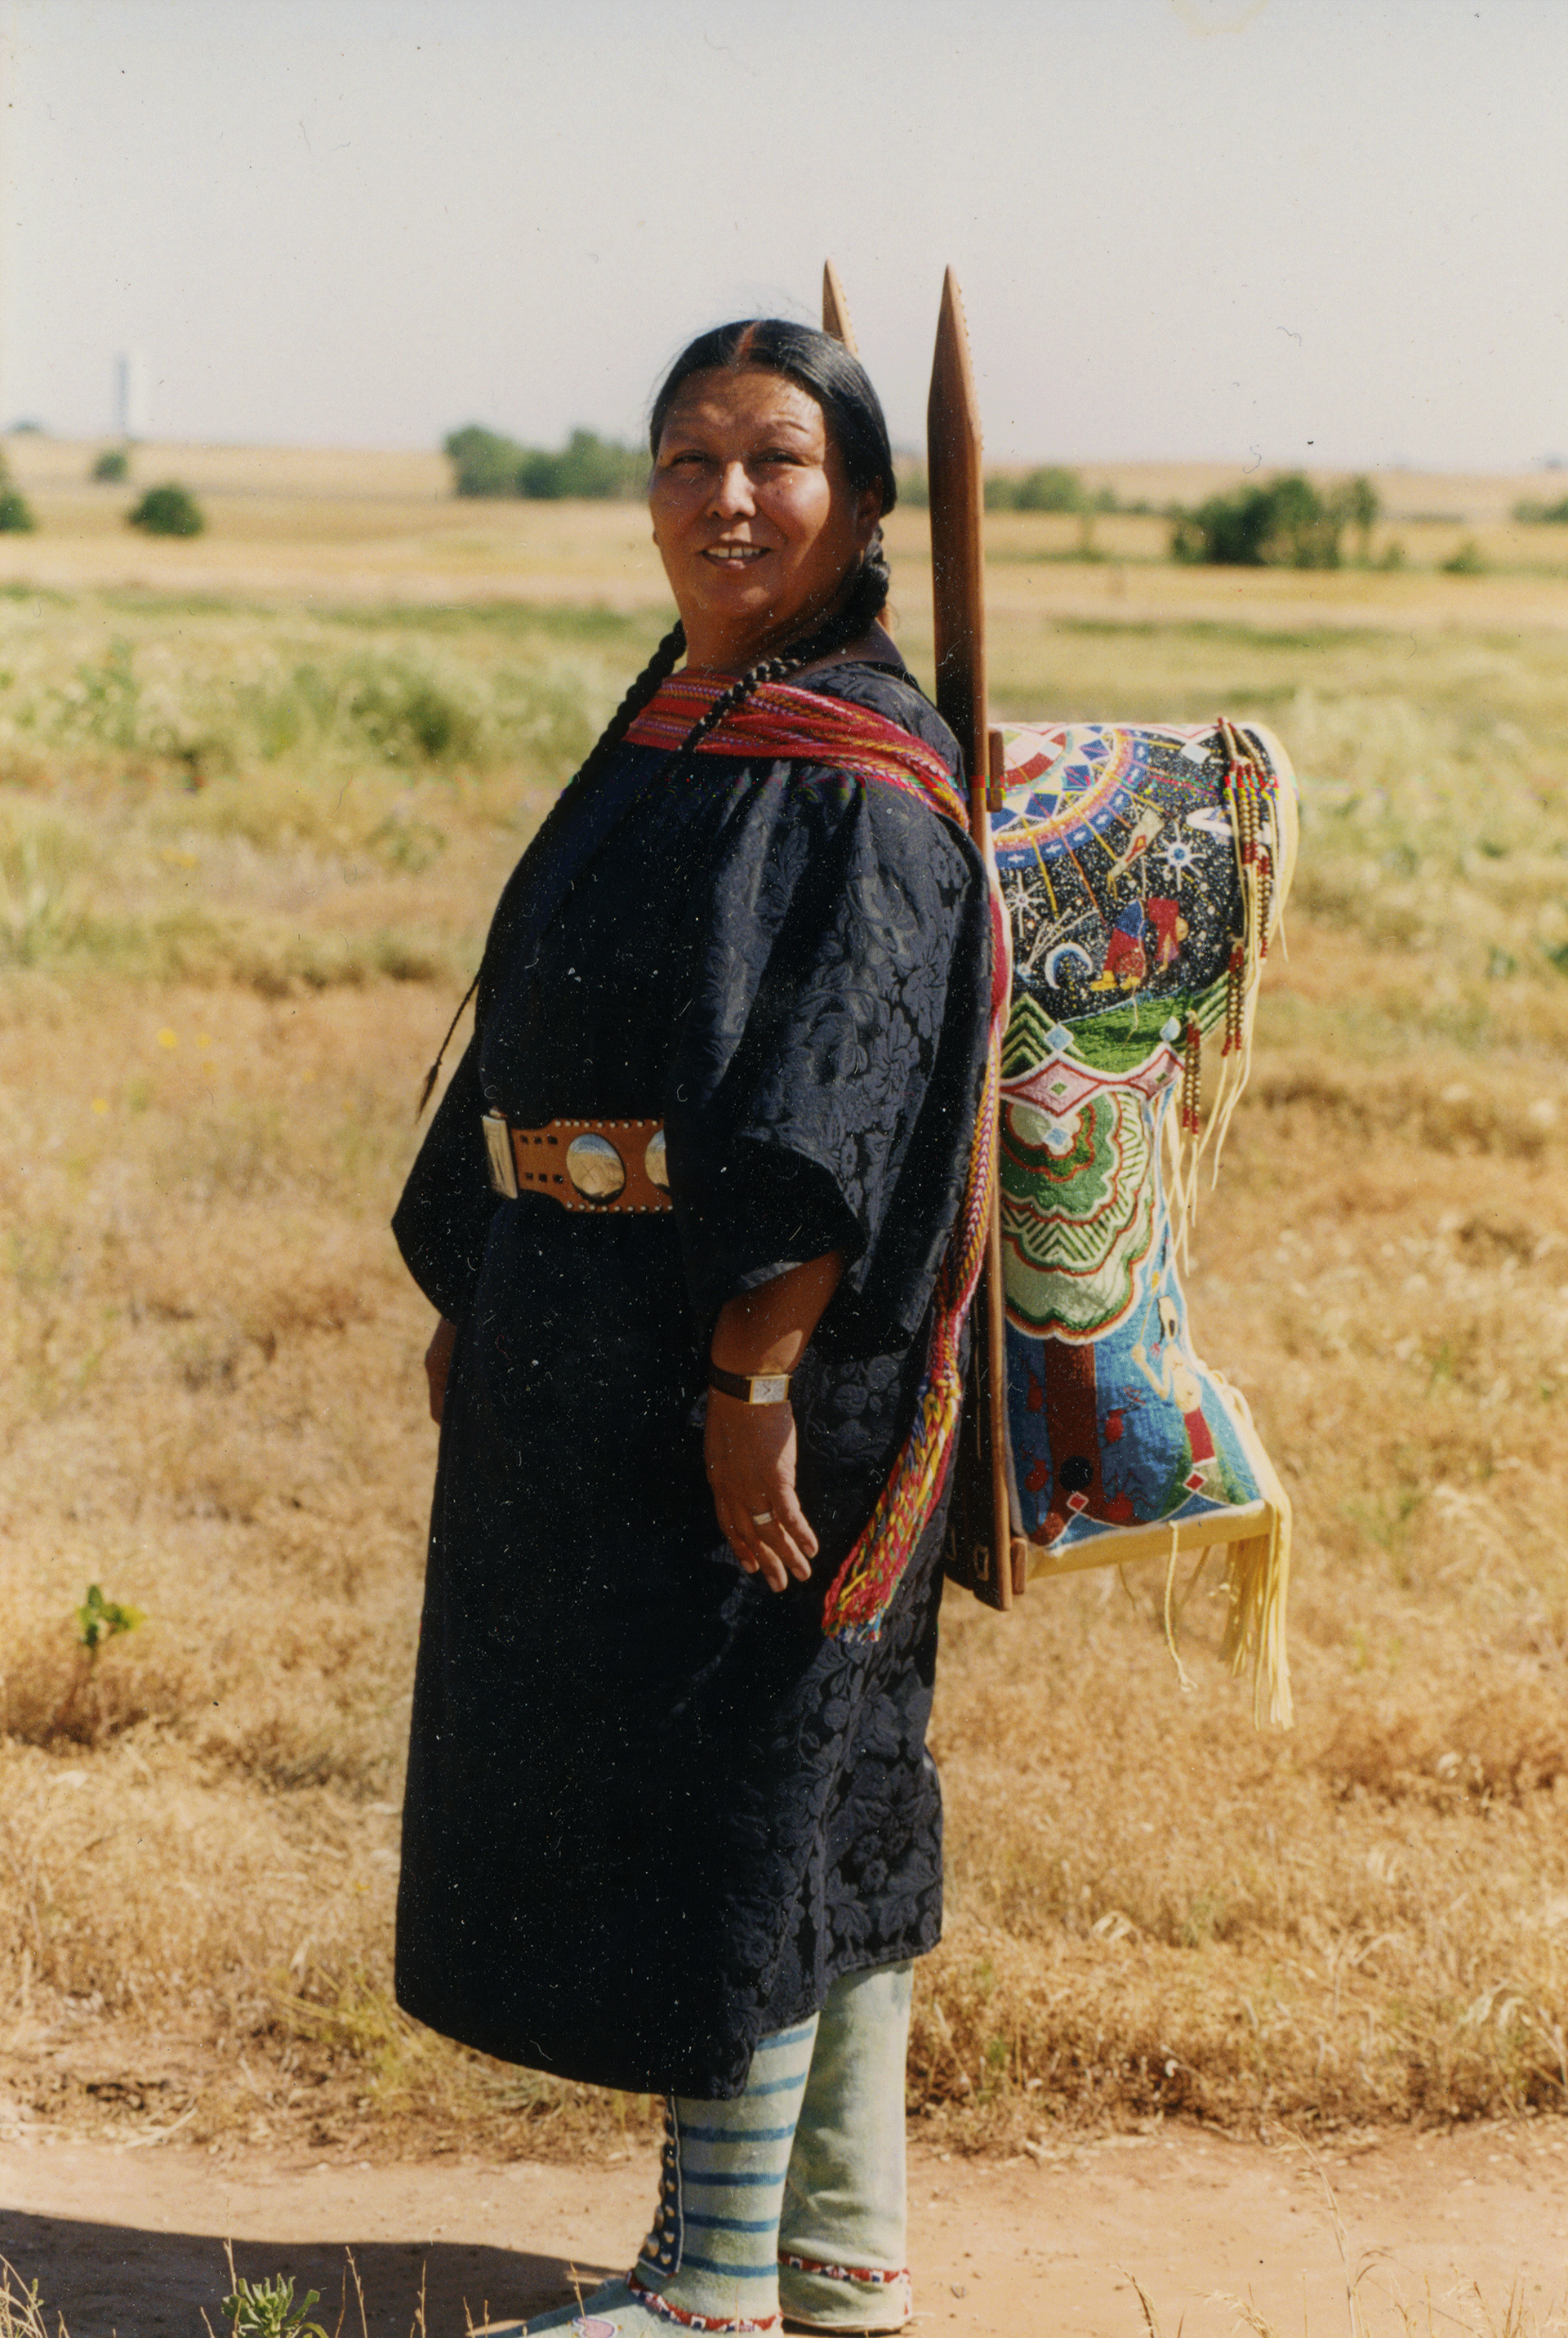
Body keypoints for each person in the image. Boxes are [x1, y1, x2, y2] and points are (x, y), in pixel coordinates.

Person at [391, 318, 1000, 2337]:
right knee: (798, 1764)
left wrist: (753, 1383)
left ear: (866, 505)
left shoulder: (861, 778)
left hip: (764, 1354)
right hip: (602, 1325)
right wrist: (485, 1279)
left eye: (776, 462)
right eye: (685, 459)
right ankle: (840, 2247)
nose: (725, 500)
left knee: (741, 1772)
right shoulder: (685, 717)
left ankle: (709, 2283)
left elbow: (840, 1095)